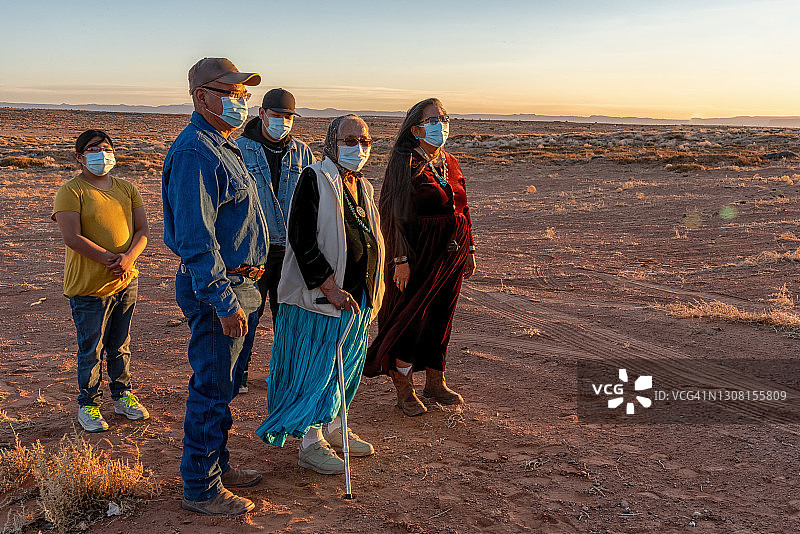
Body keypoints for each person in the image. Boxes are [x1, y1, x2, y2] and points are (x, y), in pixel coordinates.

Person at [162, 58, 268, 516]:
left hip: (242, 286)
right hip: (218, 292)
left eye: (244, 93)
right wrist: (224, 300)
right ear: (202, 96)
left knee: (225, 387)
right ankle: (201, 487)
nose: (240, 101)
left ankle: (217, 466)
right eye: (231, 91)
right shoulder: (194, 153)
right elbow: (195, 239)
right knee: (211, 387)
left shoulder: (224, 145)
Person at [255, 115, 385, 475]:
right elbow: (302, 238)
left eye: (364, 140)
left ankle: (336, 428)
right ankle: (311, 443)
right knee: (319, 370)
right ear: (331, 142)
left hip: (357, 298)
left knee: (346, 369)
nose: (358, 147)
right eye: (349, 140)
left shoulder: (362, 185)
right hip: (323, 300)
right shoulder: (315, 177)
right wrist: (329, 286)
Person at [364, 98, 476, 416]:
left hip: (451, 256)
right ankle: (404, 386)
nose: (441, 124)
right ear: (415, 129)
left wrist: (469, 249)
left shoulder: (450, 162)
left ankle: (435, 381)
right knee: (410, 320)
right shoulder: (405, 163)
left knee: (440, 318)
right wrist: (399, 259)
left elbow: (462, 208)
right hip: (417, 254)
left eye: (444, 117)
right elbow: (392, 213)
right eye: (433, 119)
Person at [52, 130, 150, 433]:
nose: (102, 154)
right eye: (94, 149)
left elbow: (143, 230)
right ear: (80, 157)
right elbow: (72, 237)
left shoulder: (127, 188)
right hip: (89, 286)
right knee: (91, 348)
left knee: (120, 345)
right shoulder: (72, 190)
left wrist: (129, 259)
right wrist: (112, 259)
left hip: (125, 281)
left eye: (107, 148)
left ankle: (122, 396)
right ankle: (89, 404)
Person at [236, 88, 315, 393]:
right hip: (253, 252)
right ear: (262, 114)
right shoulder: (239, 149)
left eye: (288, 117)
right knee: (248, 315)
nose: (283, 122)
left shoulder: (303, 153)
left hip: (291, 252)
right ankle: (237, 374)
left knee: (288, 317)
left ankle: (283, 374)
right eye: (277, 115)